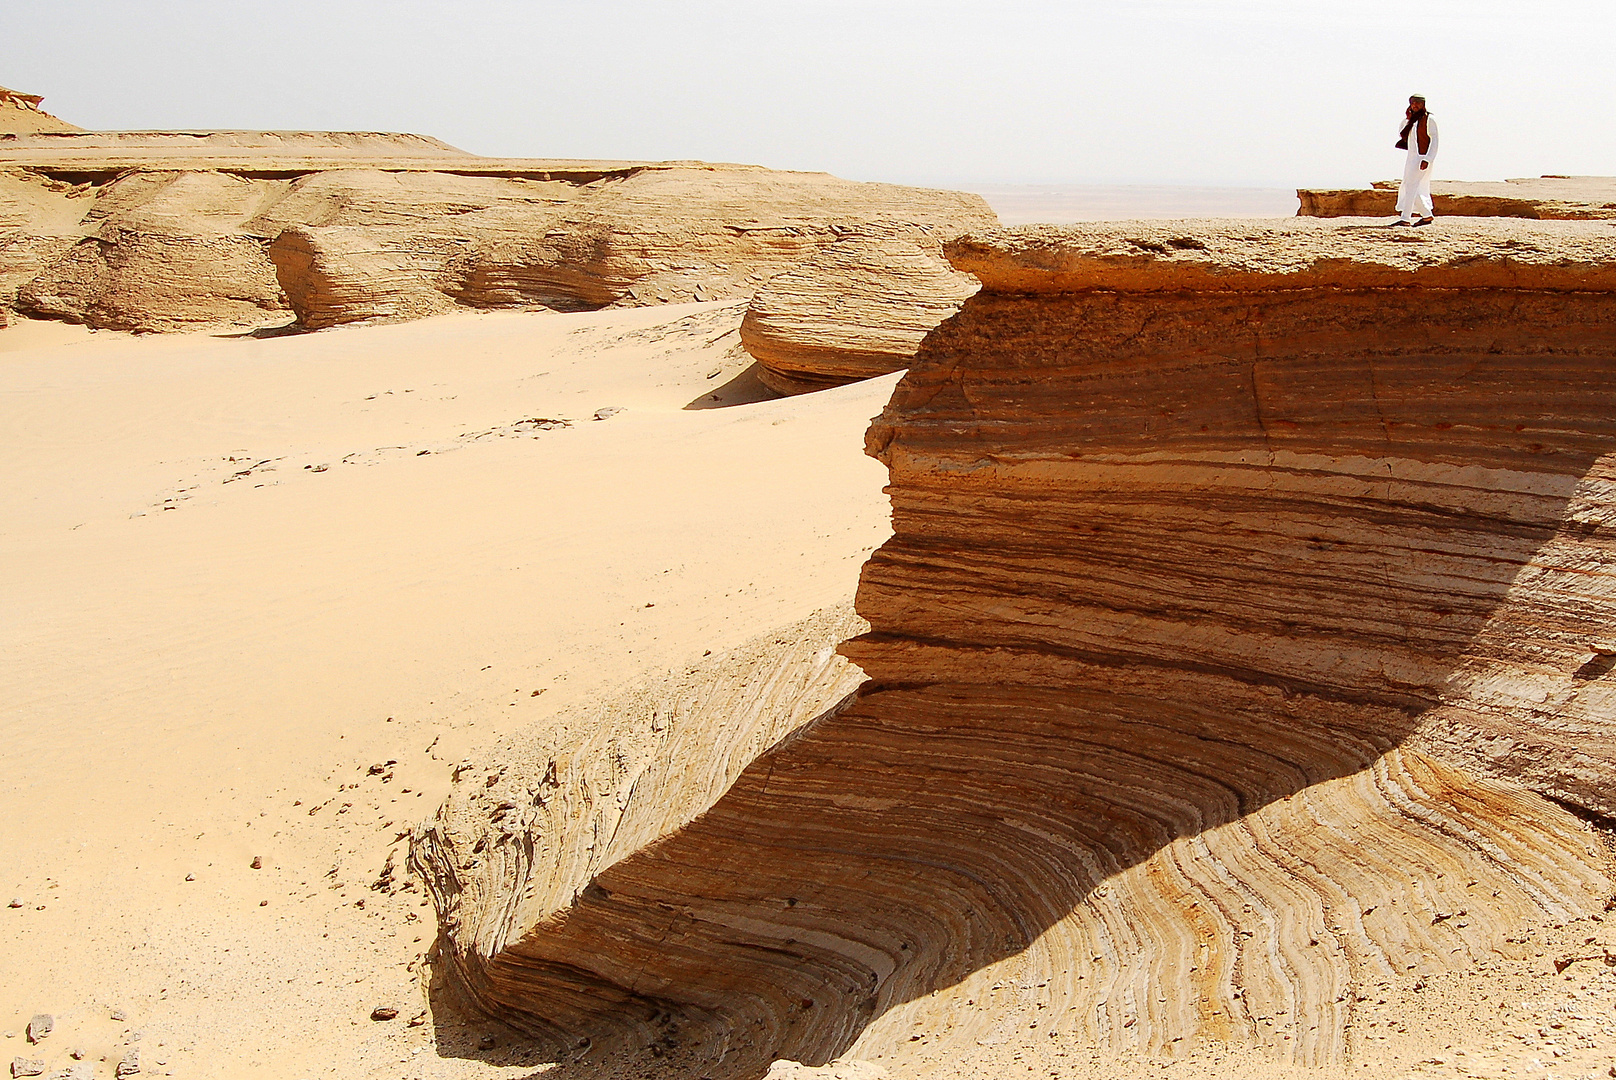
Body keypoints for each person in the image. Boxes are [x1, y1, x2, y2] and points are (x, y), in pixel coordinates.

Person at [1393, 95, 1439, 226]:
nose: (1415, 105)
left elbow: (1434, 141)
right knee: (1409, 185)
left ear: (1423, 104)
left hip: (1422, 158)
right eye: (1413, 103)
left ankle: (1405, 218)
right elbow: (1402, 134)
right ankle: (1427, 215)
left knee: (1411, 185)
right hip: (1411, 158)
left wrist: (1428, 159)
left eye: (1418, 103)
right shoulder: (1410, 120)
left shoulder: (1429, 119)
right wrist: (1408, 118)